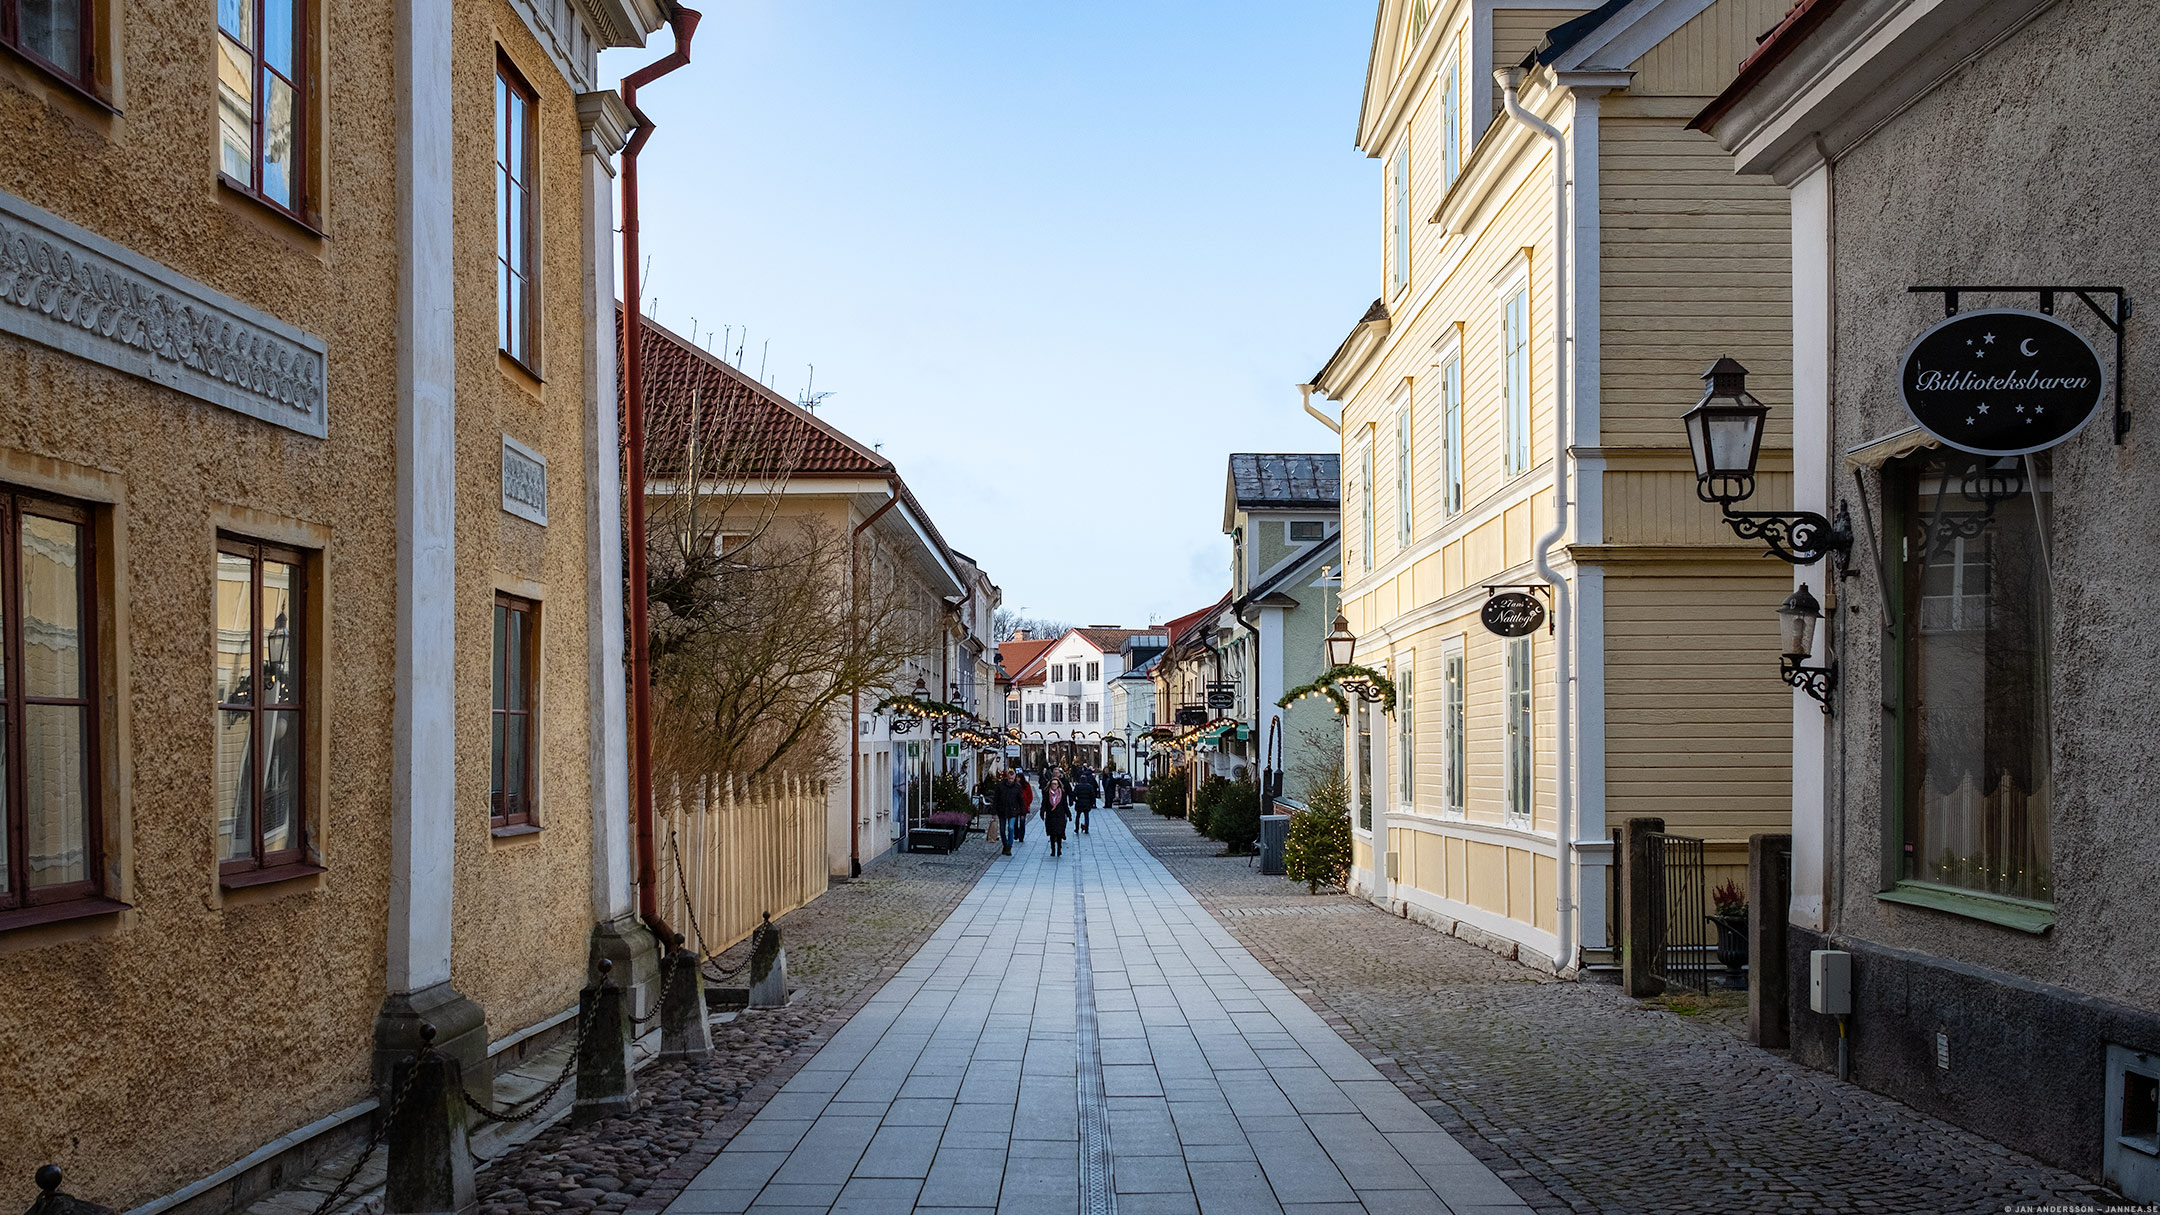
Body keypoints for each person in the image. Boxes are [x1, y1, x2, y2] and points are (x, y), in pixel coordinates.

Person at [992, 770, 1025, 856]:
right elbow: (996, 799)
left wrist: (1022, 812)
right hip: (1002, 810)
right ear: (1007, 777)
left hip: (1012, 810)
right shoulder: (1000, 786)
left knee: (1011, 828)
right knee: (1002, 830)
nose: (1011, 780)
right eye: (1010, 778)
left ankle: (1009, 846)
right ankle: (1005, 844)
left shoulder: (1017, 787)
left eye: (1013, 779)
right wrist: (994, 812)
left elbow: (1021, 800)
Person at [1042, 777, 1069, 857]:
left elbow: (1065, 804)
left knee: (1059, 833)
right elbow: (1044, 804)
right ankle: (1053, 850)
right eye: (1052, 784)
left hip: (1060, 815)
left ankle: (1059, 849)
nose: (1054, 785)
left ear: (1058, 785)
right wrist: (1042, 812)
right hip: (1051, 816)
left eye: (1055, 784)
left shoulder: (1062, 793)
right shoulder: (1047, 793)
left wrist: (1068, 814)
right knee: (1052, 834)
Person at [1073, 765, 1098, 835]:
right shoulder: (1089, 786)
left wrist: (1075, 800)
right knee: (1086, 816)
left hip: (1079, 803)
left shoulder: (1078, 786)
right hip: (1087, 803)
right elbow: (1092, 795)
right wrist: (1092, 802)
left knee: (1078, 816)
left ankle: (1076, 828)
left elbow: (1074, 794)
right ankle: (1086, 828)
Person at [1016, 771, 1033, 843]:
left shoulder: (1026, 785)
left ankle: (1021, 836)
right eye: (1016, 777)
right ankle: (1016, 834)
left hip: (1023, 807)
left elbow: (1030, 796)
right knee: (1015, 822)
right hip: (1015, 807)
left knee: (1022, 822)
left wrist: (1027, 803)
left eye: (1018, 777)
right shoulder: (1014, 785)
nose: (1017, 779)